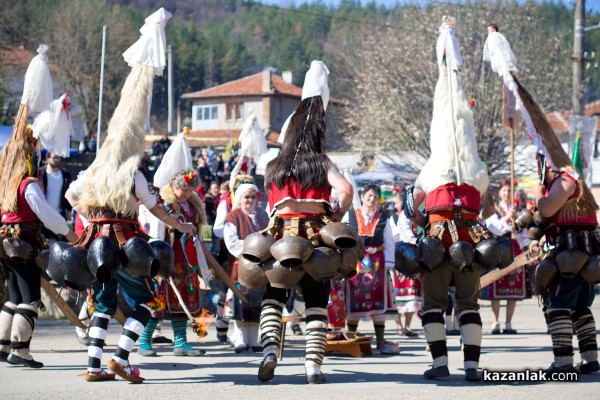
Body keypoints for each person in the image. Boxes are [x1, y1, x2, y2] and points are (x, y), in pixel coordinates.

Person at [65, 9, 197, 383]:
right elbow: (157, 208)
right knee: (148, 301)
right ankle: (121, 358)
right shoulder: (134, 173)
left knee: (104, 303)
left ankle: (93, 365)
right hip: (125, 246)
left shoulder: (93, 169)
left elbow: (74, 197)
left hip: (93, 245)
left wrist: (92, 218)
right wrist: (183, 225)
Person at [405, 16, 498, 381]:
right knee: (469, 303)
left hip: (437, 240)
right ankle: (472, 366)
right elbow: (486, 209)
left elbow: (414, 209)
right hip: (470, 242)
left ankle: (440, 364)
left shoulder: (428, 172)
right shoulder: (479, 173)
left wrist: (426, 220)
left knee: (432, 303)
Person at [255, 60, 353, 384]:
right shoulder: (322, 162)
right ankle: (313, 367)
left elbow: (270, 202)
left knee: (273, 296)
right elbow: (346, 190)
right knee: (315, 300)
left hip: (280, 236)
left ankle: (270, 350)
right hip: (314, 238)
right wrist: (336, 215)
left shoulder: (274, 164)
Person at [138, 168, 207, 357]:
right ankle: (144, 340)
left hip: (187, 260)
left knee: (183, 299)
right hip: (169, 257)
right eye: (183, 189)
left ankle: (181, 342)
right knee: (158, 301)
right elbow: (157, 233)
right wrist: (158, 261)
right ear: (173, 186)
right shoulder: (165, 205)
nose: (187, 193)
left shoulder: (192, 204)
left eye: (190, 190)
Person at [346, 184, 399, 354]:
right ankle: (351, 338)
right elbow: (344, 237)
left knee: (377, 298)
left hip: (377, 262)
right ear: (362, 197)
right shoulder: (352, 215)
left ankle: (381, 340)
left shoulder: (383, 218)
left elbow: (389, 240)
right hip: (356, 262)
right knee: (354, 297)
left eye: (375, 197)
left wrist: (390, 264)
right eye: (369, 196)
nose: (372, 199)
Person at [223, 183, 269, 353]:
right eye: (246, 197)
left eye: (253, 197)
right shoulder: (233, 217)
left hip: (261, 268)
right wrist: (254, 247)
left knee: (257, 305)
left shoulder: (263, 215)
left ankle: (253, 340)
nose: (250, 200)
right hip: (240, 267)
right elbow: (232, 243)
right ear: (240, 199)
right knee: (240, 304)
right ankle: (240, 340)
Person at [481, 179, 530, 334]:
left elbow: (523, 233)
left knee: (513, 288)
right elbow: (493, 229)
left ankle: (508, 323)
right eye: (504, 191)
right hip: (499, 249)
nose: (507, 193)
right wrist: (508, 217)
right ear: (499, 193)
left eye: (509, 191)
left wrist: (521, 235)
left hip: (515, 250)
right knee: (497, 284)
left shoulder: (517, 209)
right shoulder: (494, 210)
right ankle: (495, 322)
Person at [389, 190, 421, 337]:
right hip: (400, 255)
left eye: (397, 202)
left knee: (412, 291)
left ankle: (407, 326)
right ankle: (399, 326)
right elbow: (402, 235)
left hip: (410, 254)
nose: (396, 206)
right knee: (397, 292)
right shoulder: (395, 218)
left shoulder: (409, 214)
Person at [37, 152, 72, 222]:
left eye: (59, 157)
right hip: (44, 213)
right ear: (47, 158)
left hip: (60, 213)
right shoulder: (40, 173)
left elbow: (69, 192)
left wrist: (69, 210)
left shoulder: (66, 174)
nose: (57, 160)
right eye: (54, 157)